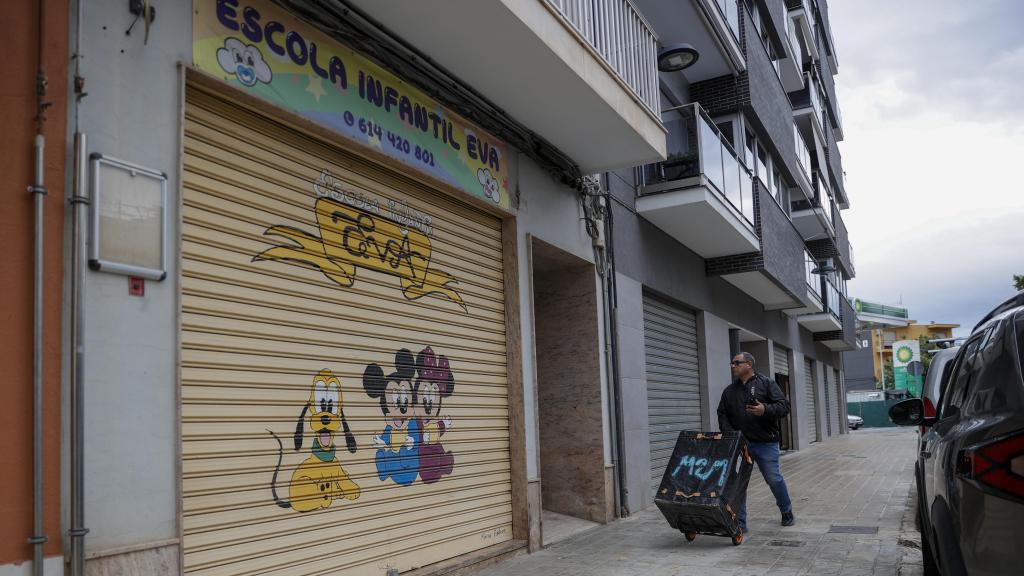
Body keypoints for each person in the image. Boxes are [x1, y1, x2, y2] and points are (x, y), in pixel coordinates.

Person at [717, 351, 794, 533]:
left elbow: (784, 406)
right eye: (732, 363)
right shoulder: (729, 391)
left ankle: (786, 511)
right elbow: (722, 413)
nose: (733, 366)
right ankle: (740, 523)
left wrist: (764, 409)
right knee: (738, 484)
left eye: (737, 362)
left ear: (749, 364)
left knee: (773, 479)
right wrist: (730, 433)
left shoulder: (766, 383)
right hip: (740, 445)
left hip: (765, 443)